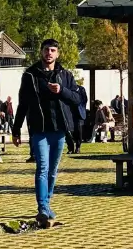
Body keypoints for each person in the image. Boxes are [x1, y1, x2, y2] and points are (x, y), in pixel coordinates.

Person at [13, 38, 82, 228]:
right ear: (41, 52)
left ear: (57, 54)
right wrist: (16, 130)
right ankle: (43, 207)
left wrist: (62, 91)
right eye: (46, 50)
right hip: (39, 130)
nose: (49, 53)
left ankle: (48, 202)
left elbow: (77, 99)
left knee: (53, 170)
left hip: (59, 129)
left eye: (52, 50)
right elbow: (22, 103)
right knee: (42, 167)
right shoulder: (30, 75)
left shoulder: (65, 75)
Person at [67, 80, 88, 154]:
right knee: (68, 130)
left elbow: (85, 99)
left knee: (78, 130)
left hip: (78, 112)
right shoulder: (67, 89)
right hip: (69, 112)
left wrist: (80, 106)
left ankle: (78, 147)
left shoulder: (81, 89)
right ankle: (70, 148)